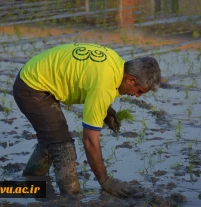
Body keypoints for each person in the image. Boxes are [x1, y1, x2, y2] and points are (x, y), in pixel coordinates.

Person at [12, 43, 161, 198]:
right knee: (63, 148)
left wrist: (105, 109)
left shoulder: (115, 63)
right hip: (31, 87)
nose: (137, 96)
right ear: (131, 79)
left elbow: (91, 79)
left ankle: (33, 177)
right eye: (139, 91)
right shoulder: (103, 86)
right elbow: (90, 141)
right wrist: (105, 180)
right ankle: (72, 198)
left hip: (38, 73)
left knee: (52, 137)